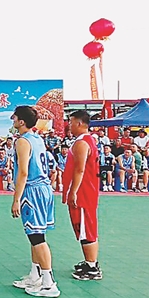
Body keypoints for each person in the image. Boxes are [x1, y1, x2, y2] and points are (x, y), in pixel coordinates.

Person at [10, 106, 59, 298]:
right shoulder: (37, 138)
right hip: (43, 188)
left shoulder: (22, 141)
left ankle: (48, 283)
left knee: (37, 237)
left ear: (22, 121)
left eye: (15, 117)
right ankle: (35, 275)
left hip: (33, 190)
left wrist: (16, 199)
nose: (12, 119)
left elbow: (23, 172)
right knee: (35, 233)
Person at [61, 110, 102, 281]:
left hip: (83, 193)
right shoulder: (87, 140)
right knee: (86, 227)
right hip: (86, 191)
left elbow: (80, 169)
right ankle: (89, 262)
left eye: (71, 122)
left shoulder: (82, 143)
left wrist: (73, 192)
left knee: (86, 229)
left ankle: (92, 267)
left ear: (79, 123)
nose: (69, 126)